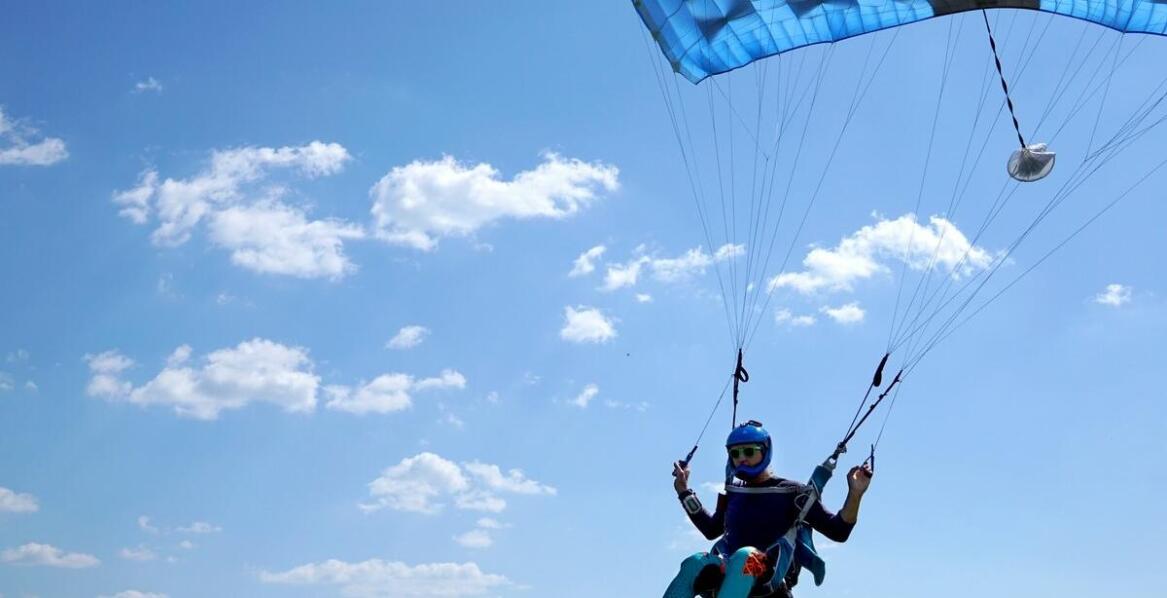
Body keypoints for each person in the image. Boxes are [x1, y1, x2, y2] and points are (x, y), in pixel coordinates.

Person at [664, 421, 872, 598]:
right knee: (695, 563)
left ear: (765, 451)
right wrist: (683, 491)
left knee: (746, 556)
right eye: (735, 454)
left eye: (748, 451)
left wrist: (855, 494)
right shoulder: (735, 493)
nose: (741, 458)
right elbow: (711, 529)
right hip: (732, 580)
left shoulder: (793, 492)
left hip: (769, 582)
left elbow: (838, 531)